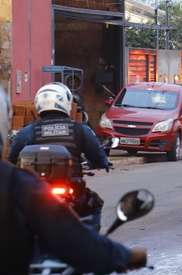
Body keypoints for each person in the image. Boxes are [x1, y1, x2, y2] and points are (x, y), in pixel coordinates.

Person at [0, 86, 147, 275]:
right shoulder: (17, 185)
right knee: (92, 208)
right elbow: (73, 237)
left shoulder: (28, 133)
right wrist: (121, 256)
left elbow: (12, 157)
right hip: (71, 195)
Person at [9, 82, 110, 229]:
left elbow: (12, 157)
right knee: (94, 205)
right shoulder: (80, 130)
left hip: (36, 189)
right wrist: (103, 163)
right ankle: (89, 242)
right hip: (71, 189)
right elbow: (97, 156)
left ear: (38, 103)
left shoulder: (28, 131)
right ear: (66, 102)